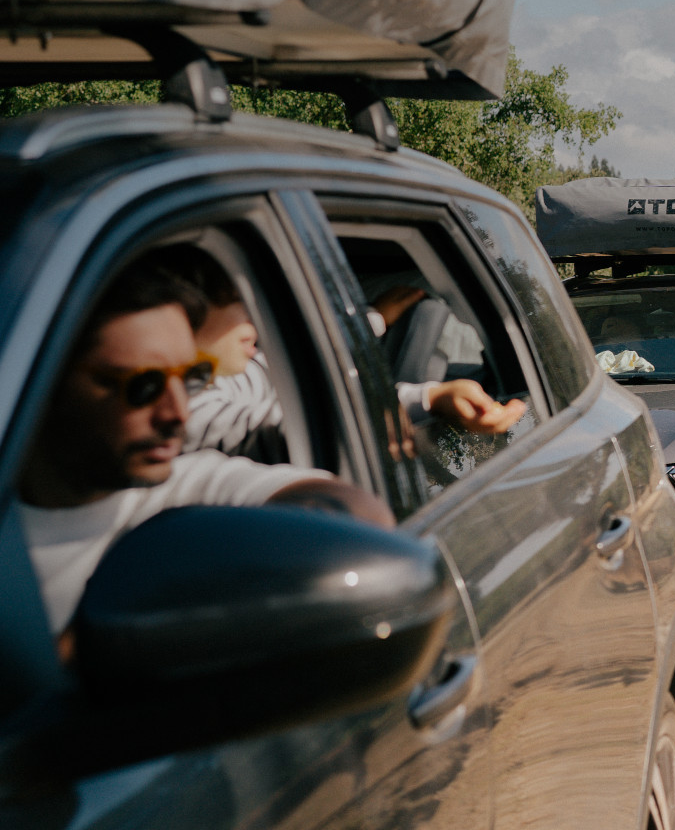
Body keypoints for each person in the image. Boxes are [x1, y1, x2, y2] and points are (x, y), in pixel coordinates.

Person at [17, 253, 393, 637]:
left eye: (193, 379)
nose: (178, 412)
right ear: (43, 383)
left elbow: (358, 515)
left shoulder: (186, 492)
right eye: (143, 385)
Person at [154, 245, 524, 459]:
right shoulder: (174, 412)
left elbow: (296, 370)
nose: (259, 318)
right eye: (241, 300)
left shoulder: (219, 377)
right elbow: (290, 425)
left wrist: (433, 394)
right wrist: (426, 398)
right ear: (184, 311)